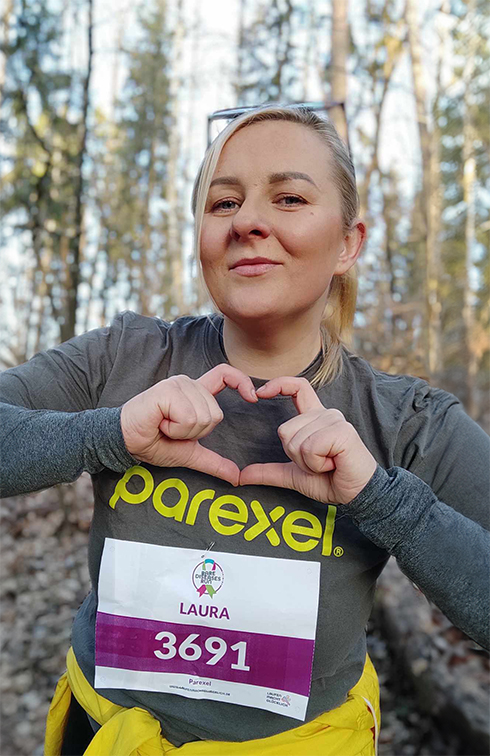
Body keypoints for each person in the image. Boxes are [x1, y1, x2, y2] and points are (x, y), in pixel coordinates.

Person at [1, 104, 489, 756]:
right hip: (103, 734)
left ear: (348, 243)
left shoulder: (406, 420)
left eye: (289, 197)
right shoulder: (126, 357)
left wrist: (383, 499)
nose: (249, 222)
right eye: (223, 202)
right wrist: (108, 434)